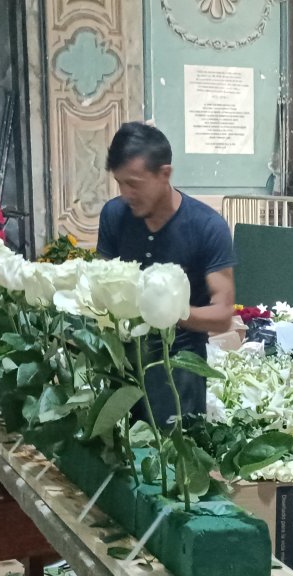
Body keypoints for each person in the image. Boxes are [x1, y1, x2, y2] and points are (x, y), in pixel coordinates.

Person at [97, 122, 236, 425]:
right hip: (123, 362)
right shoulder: (114, 216)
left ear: (165, 174)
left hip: (180, 370)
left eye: (134, 183)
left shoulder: (206, 227)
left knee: (175, 461)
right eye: (120, 183)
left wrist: (165, 312)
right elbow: (100, 285)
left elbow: (223, 314)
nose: (126, 194)